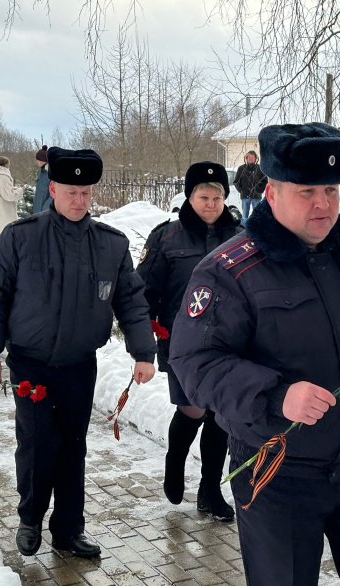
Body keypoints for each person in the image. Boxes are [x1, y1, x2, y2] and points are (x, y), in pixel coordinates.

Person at [169, 123, 340, 586]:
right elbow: (196, 362)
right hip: (276, 470)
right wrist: (277, 395)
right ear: (272, 191)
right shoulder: (229, 270)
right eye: (307, 191)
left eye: (331, 190)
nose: (323, 204)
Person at [0, 146, 157, 559]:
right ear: (52, 188)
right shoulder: (21, 237)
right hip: (29, 362)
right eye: (70, 191)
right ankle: (30, 519)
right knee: (37, 443)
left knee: (73, 446)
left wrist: (143, 352)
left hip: (78, 365)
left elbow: (131, 301)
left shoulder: (111, 245)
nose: (78, 200)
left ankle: (69, 529)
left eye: (85, 193)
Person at [137, 161, 241, 522]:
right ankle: (175, 460)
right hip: (181, 342)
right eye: (203, 196)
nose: (211, 203)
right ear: (189, 196)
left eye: (217, 196)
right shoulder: (166, 237)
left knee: (220, 416)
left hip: (230, 344)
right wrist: (146, 337)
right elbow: (144, 290)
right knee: (192, 409)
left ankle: (210, 490)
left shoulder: (241, 236)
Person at [232, 150, 266, 225]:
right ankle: (244, 231)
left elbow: (265, 180)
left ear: (255, 158)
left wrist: (260, 190)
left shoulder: (259, 168)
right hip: (245, 196)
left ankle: (256, 230)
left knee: (257, 215)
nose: (251, 158)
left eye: (252, 157)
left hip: (256, 196)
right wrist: (241, 190)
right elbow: (236, 182)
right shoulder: (241, 168)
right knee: (245, 216)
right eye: (249, 157)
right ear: (246, 158)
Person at [32, 145, 50, 214]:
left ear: (43, 160)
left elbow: (54, 195)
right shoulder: (40, 172)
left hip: (45, 213)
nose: (36, 161)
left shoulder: (51, 173)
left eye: (38, 160)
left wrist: (45, 209)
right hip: (37, 211)